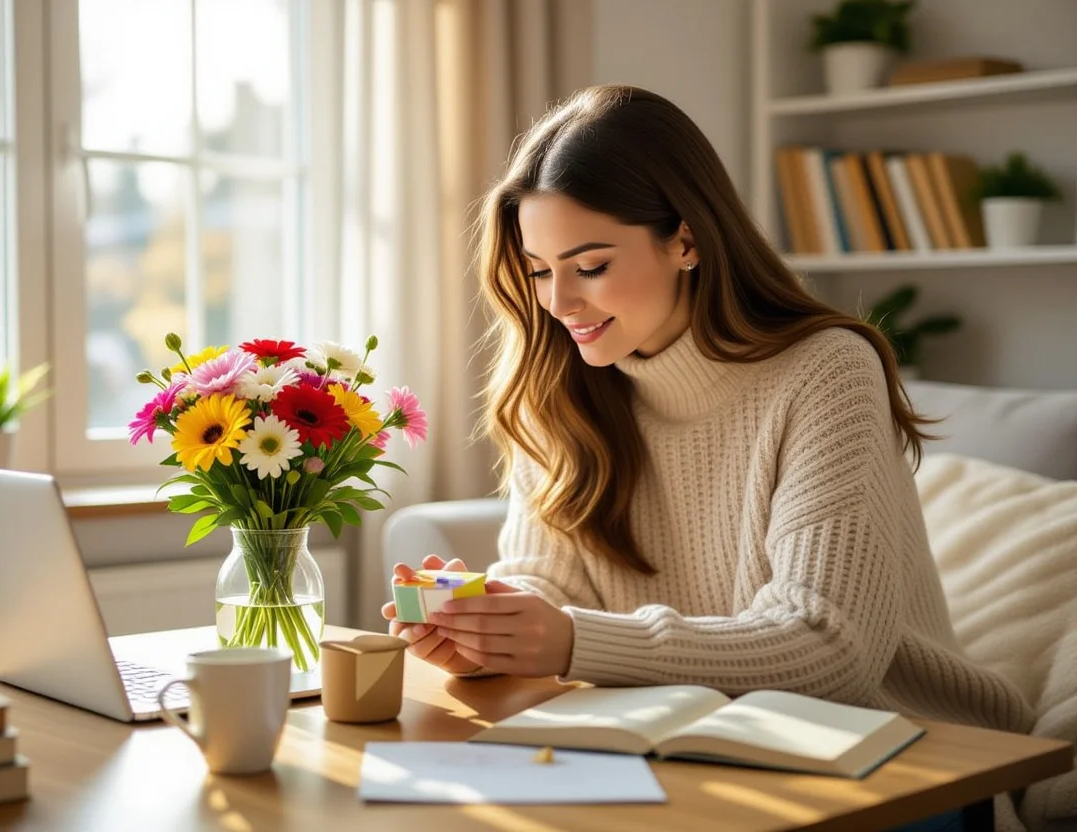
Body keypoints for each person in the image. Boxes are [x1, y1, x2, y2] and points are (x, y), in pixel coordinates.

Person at [380, 85, 1029, 831]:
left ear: (686, 241)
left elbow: (828, 645)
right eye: (537, 269)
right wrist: (487, 632)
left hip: (898, 757)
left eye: (590, 265)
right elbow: (547, 582)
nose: (559, 302)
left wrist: (567, 639)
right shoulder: (560, 391)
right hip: (678, 756)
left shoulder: (826, 372)